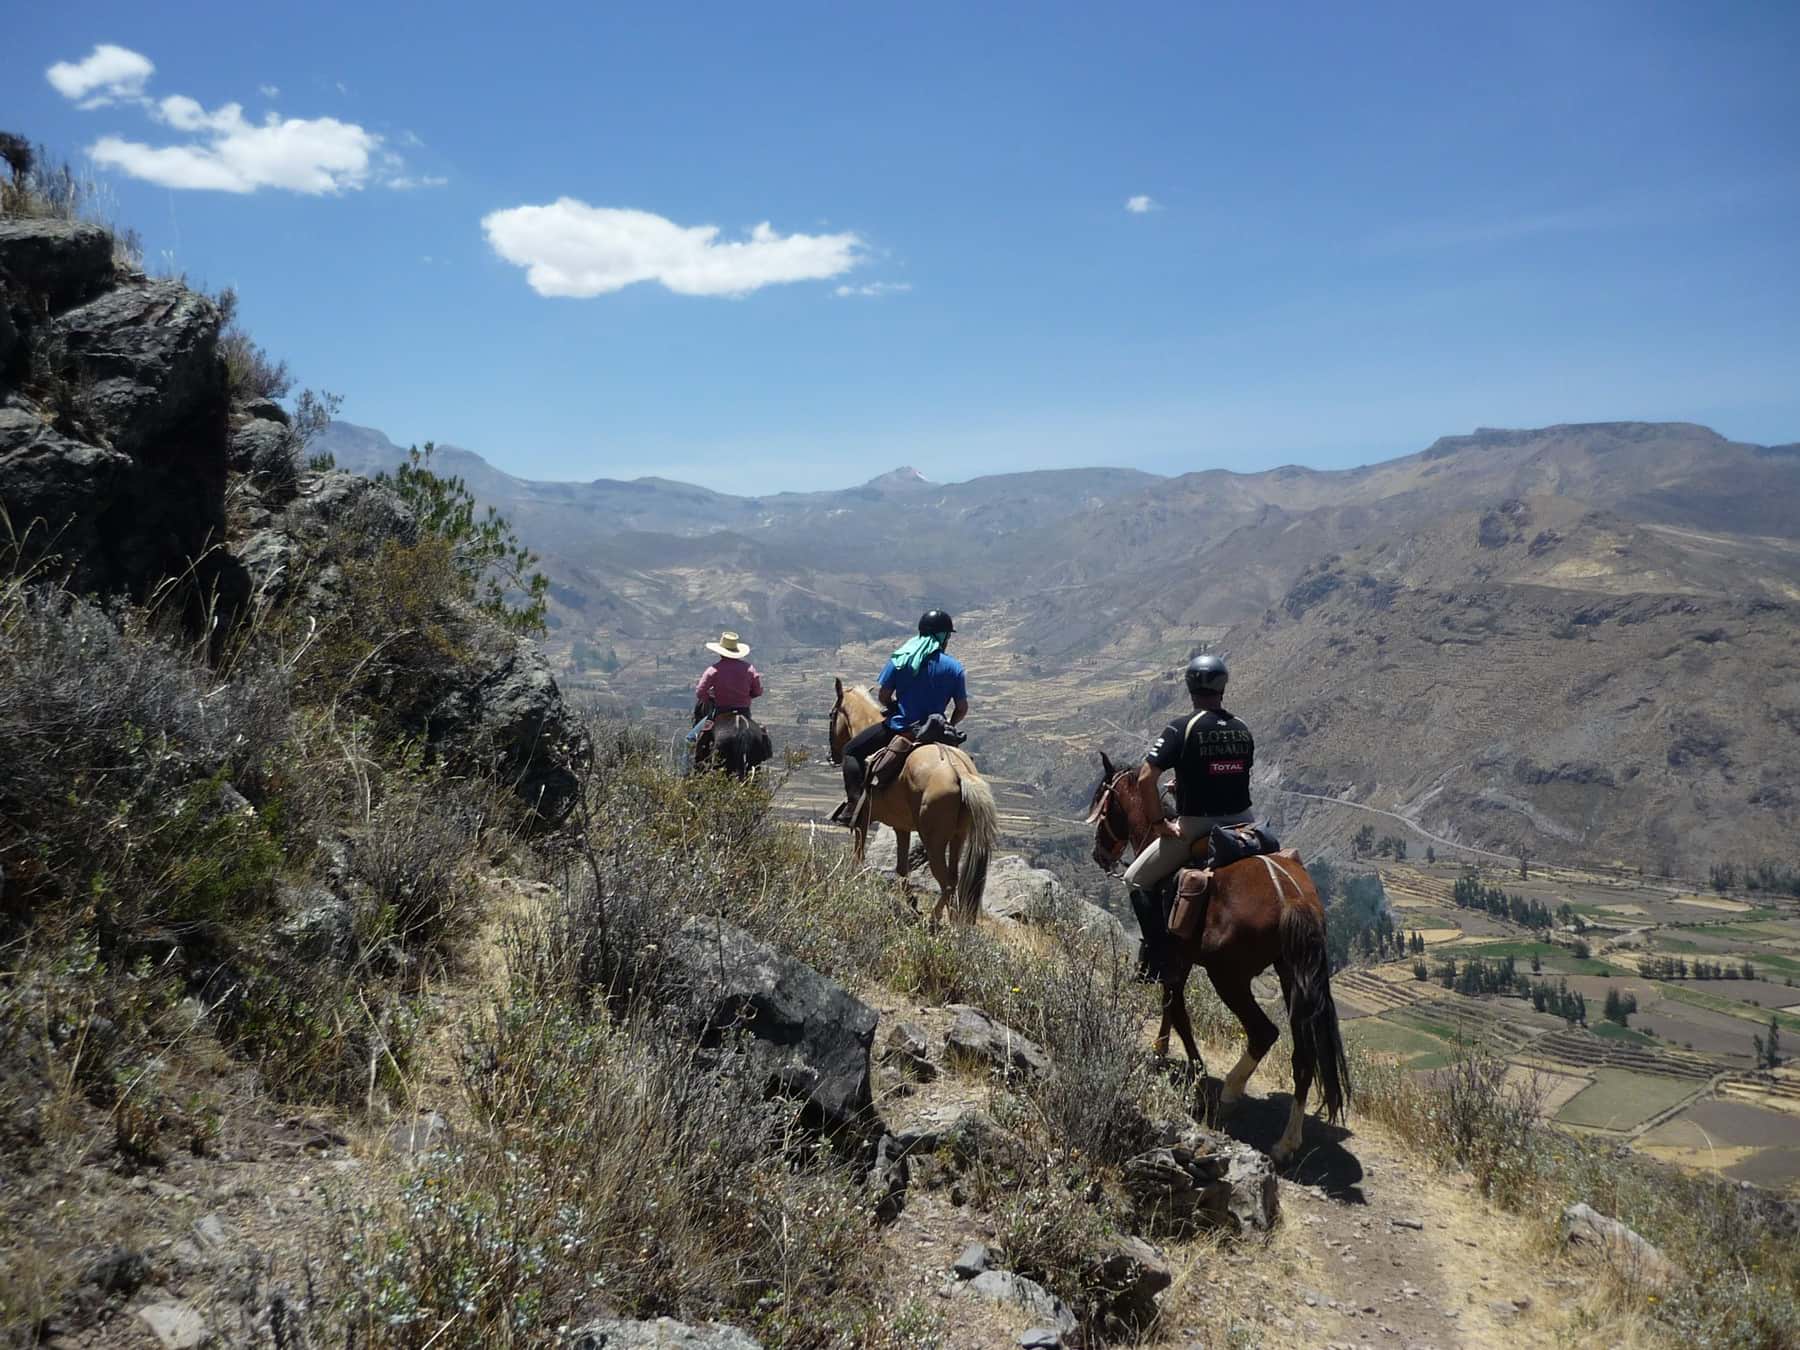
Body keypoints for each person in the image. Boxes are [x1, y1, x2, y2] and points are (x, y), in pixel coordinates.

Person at [1122, 652, 1255, 911]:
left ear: (1190, 686)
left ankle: (1155, 949)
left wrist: (1159, 824)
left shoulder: (1181, 727)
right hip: (1245, 821)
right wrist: (1185, 784)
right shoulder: (1242, 727)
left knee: (1135, 880)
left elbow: (1146, 778)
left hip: (1197, 825)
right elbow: (1228, 771)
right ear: (1222, 686)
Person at [831, 609, 968, 822]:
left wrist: (897, 706)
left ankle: (854, 807)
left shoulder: (901, 659)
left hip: (903, 728)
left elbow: (884, 696)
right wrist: (949, 723)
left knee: (850, 751)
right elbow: (962, 708)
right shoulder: (955, 667)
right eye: (947, 635)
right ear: (943, 637)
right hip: (937, 732)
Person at [689, 631, 762, 743]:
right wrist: (745, 695)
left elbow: (700, 692)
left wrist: (709, 698)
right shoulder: (750, 669)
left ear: (720, 652)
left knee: (690, 739)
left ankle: (687, 760)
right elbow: (757, 691)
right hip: (744, 712)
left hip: (720, 711)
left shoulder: (713, 671)